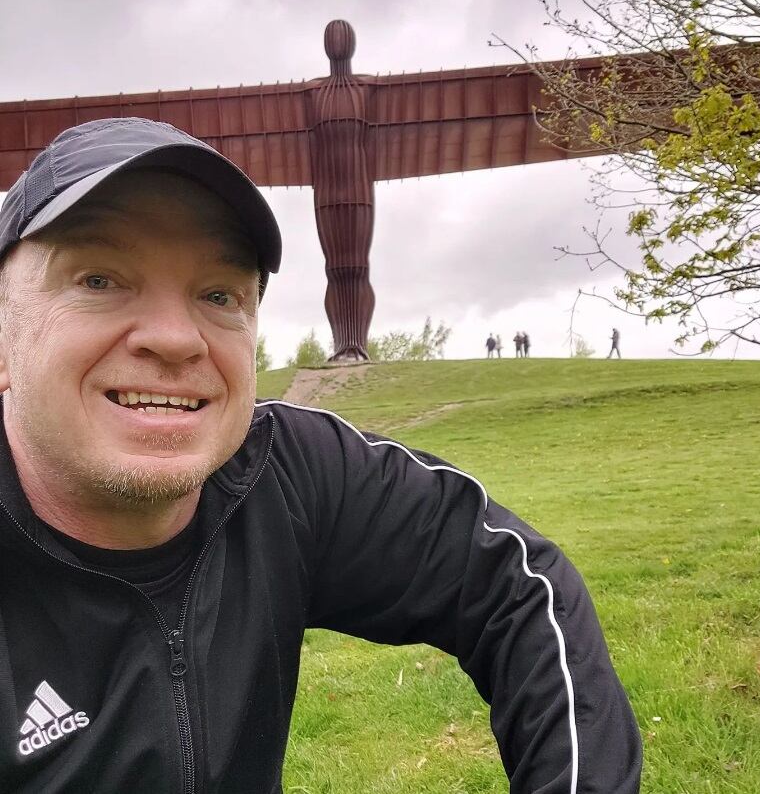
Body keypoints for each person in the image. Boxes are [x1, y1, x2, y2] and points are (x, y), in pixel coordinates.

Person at [0, 118, 641, 793]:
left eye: (218, 294)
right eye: (99, 280)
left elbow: (514, 583)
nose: (176, 337)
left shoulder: (287, 476)